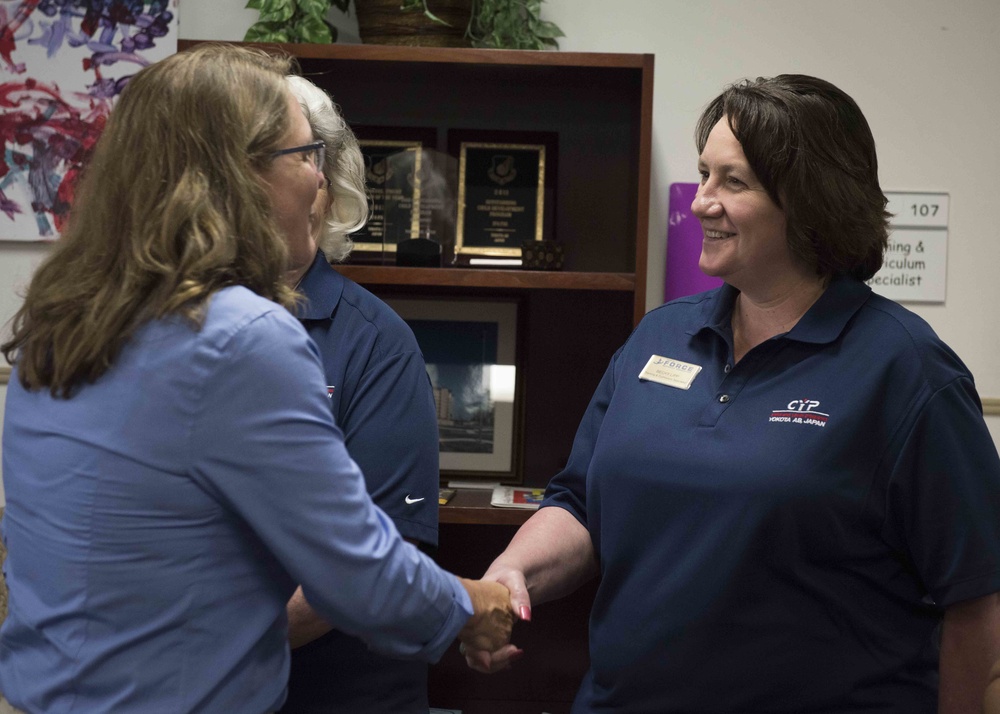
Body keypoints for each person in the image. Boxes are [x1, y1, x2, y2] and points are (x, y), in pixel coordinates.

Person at [0, 43, 514, 714]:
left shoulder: (60, 321)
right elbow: (357, 575)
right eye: (307, 155)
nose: (321, 180)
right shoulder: (241, 336)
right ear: (238, 175)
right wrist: (471, 605)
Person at [464, 74, 1000, 713]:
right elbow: (581, 504)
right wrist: (514, 569)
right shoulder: (660, 335)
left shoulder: (907, 369)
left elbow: (978, 599)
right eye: (703, 175)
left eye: (733, 182)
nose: (700, 203)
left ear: (811, 201)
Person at [276, 76, 441, 713]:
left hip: (338, 688)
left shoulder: (376, 341)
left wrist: (220, 650)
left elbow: (376, 554)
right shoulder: (186, 323)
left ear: (326, 186)